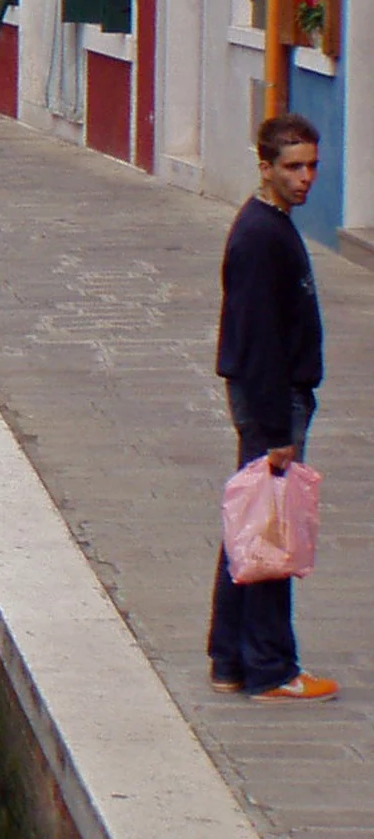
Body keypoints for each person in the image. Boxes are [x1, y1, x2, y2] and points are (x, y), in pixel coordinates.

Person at [207, 113, 333, 702]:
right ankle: (271, 669)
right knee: (270, 534)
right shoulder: (261, 236)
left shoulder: (271, 225)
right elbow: (257, 338)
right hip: (272, 402)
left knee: (251, 529)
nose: (305, 177)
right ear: (265, 168)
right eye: (293, 167)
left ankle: (229, 658)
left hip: (274, 399)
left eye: (310, 165)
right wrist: (278, 430)